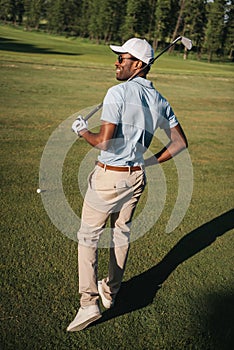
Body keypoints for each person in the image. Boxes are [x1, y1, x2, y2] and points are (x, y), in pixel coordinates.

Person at [67, 38, 188, 332]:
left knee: (88, 238)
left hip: (110, 177)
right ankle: (111, 290)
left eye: (122, 58)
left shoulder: (117, 92)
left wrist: (83, 131)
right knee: (120, 233)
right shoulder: (160, 100)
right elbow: (180, 143)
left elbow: (104, 141)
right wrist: (148, 163)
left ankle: (88, 304)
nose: (117, 62)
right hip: (135, 178)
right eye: (118, 57)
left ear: (139, 64)